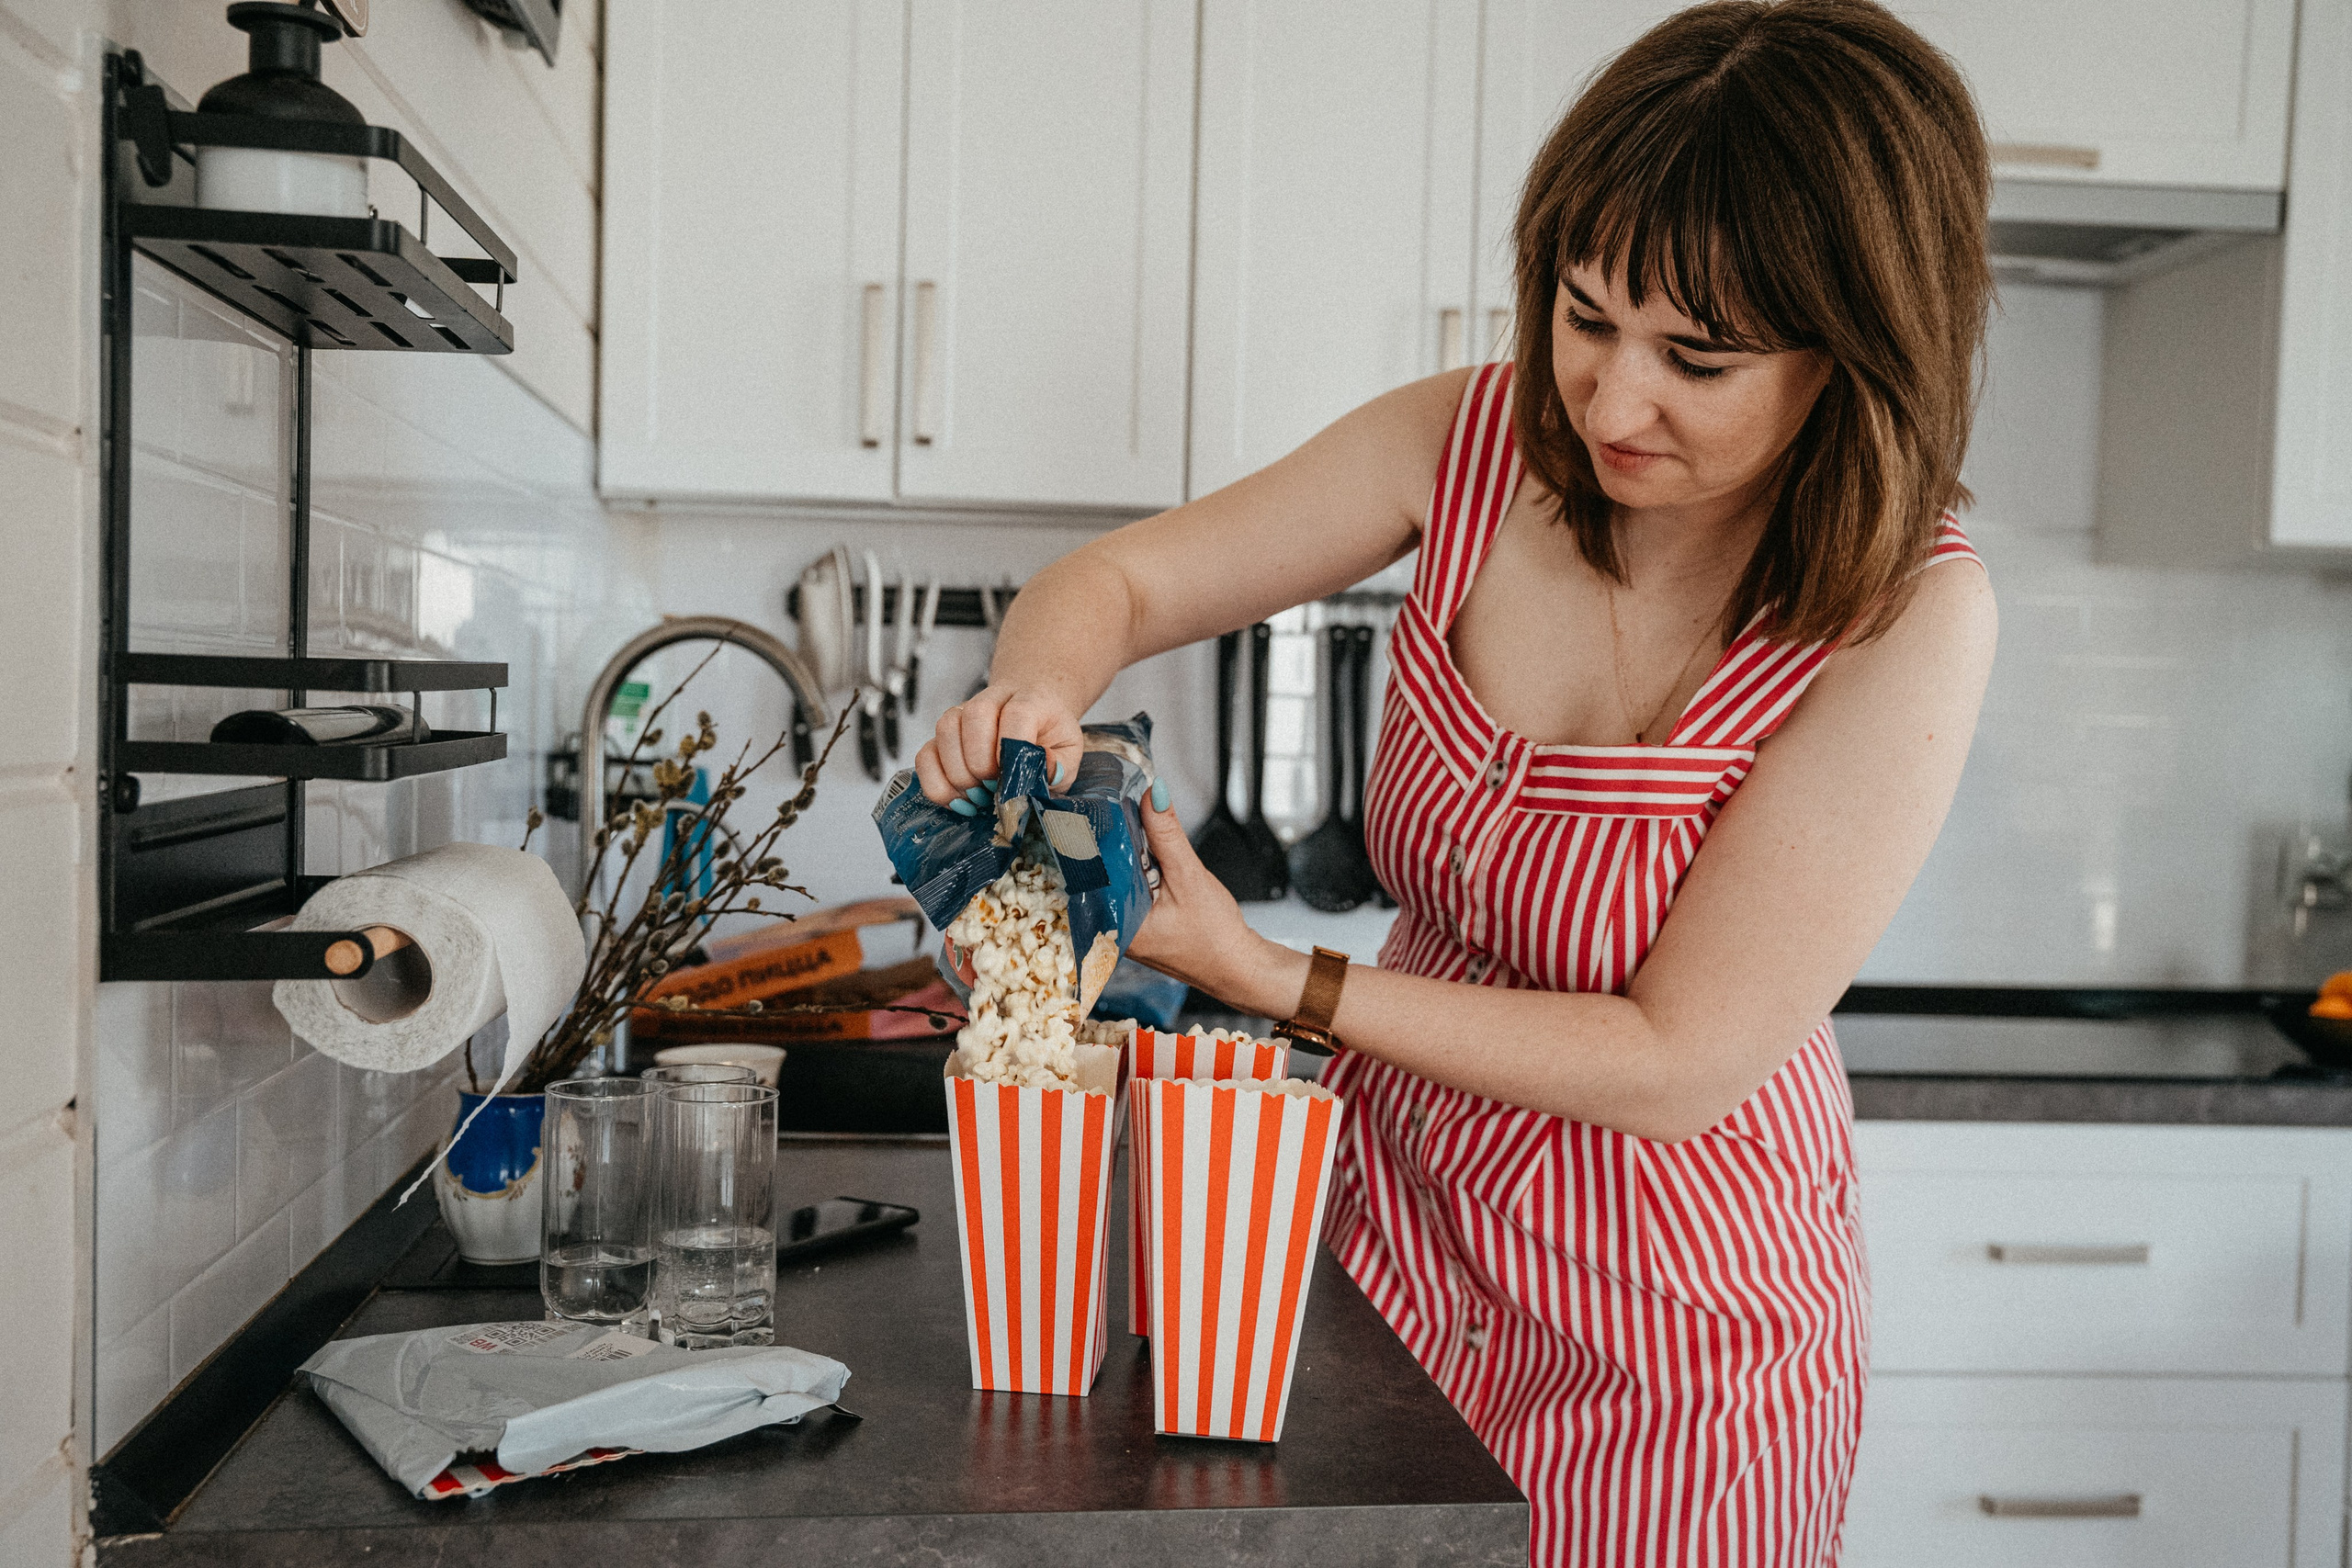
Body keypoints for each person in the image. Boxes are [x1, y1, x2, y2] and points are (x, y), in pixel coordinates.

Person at [916, 2, 1996, 1560]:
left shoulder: (1912, 612)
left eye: (1697, 357)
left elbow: (1676, 1057)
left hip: (1679, 1342)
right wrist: (1036, 690)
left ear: (1854, 353)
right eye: (1585, 313)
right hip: (1381, 1248)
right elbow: (1123, 584)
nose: (1613, 402)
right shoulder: (1475, 440)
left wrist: (1270, 975)